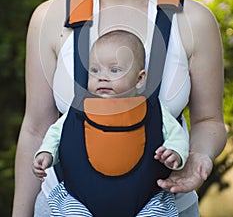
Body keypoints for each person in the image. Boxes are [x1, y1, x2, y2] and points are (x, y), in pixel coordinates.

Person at [12, 0, 227, 216]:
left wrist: (198, 157)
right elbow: (36, 127)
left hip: (166, 208)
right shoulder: (51, 19)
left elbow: (208, 121)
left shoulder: (194, 21)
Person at [32, 30, 189, 216]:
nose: (102, 77)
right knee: (70, 210)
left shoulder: (153, 110)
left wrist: (175, 153)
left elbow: (176, 134)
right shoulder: (81, 108)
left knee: (157, 210)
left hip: (145, 197)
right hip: (80, 198)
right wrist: (46, 152)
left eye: (114, 70)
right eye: (95, 70)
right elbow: (57, 133)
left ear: (140, 79)